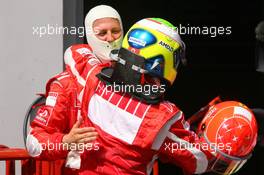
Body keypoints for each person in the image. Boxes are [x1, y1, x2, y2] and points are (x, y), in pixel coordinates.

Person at [57, 17, 212, 174]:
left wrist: (117, 59)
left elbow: (73, 51)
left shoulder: (93, 76)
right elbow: (199, 162)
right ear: (162, 58)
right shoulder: (165, 116)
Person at [26, 5, 123, 174]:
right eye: (102, 33)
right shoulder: (65, 84)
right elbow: (34, 142)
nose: (110, 38)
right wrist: (66, 141)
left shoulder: (138, 78)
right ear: (90, 36)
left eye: (115, 31)